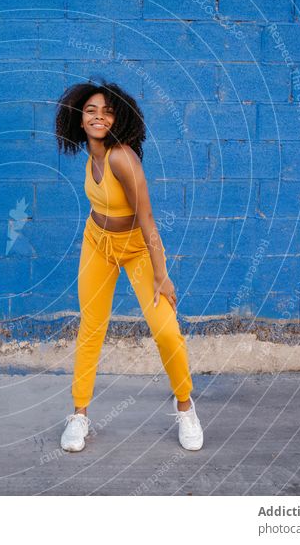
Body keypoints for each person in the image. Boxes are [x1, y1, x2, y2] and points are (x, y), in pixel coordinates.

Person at [54, 80, 203, 453]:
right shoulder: (93, 155)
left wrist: (161, 273)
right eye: (91, 111)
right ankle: (79, 415)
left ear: (117, 118)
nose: (98, 117)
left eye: (106, 111)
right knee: (91, 326)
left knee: (166, 330)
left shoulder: (122, 158)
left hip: (136, 248)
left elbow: (148, 220)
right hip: (97, 243)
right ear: (79, 117)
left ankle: (185, 406)